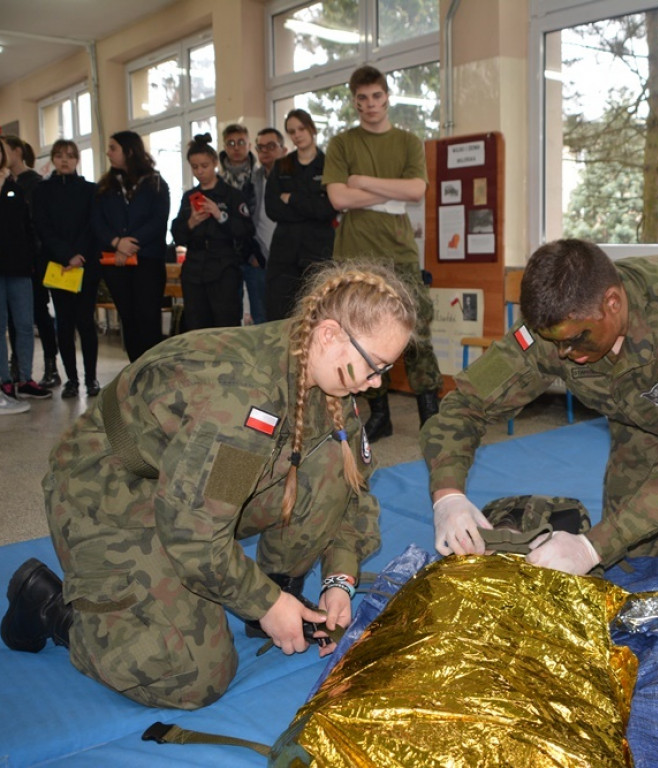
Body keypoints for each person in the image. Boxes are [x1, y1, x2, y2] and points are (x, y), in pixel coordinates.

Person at [0, 261, 417, 710]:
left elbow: (353, 492)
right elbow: (194, 535)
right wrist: (264, 603)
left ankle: (279, 593)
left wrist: (340, 579)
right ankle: (51, 610)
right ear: (330, 334)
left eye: (386, 369)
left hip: (190, 485)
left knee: (332, 459)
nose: (376, 383)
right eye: (374, 366)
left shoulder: (322, 371)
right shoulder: (247, 399)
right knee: (192, 676)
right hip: (111, 489)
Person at [422, 239, 658, 575]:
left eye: (575, 340)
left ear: (612, 303)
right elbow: (466, 404)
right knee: (638, 552)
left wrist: (592, 546)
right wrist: (448, 496)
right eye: (555, 342)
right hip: (640, 418)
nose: (563, 353)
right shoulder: (555, 325)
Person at [324, 65, 442, 442]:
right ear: (354, 101)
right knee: (361, 333)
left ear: (387, 97)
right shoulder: (342, 144)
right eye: (363, 98)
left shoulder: (408, 142)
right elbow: (337, 197)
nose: (371, 104)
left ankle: (430, 414)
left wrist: (362, 183)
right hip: (355, 255)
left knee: (417, 329)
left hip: (399, 252)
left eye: (377, 96)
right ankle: (379, 414)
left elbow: (416, 191)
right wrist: (390, 193)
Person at [92, 130, 171, 362]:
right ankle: (135, 368)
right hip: (116, 262)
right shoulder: (105, 187)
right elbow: (97, 221)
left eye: (113, 148)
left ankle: (153, 368)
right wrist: (117, 243)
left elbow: (158, 220)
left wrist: (130, 244)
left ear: (129, 151)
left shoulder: (155, 183)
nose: (108, 153)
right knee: (129, 319)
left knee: (148, 317)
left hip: (148, 260)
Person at [32, 140, 102, 399]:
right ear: (53, 159)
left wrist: (79, 254)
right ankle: (71, 379)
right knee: (64, 323)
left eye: (70, 156)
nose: (65, 160)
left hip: (85, 265)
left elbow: (93, 225)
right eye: (60, 156)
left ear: (77, 160)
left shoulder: (90, 190)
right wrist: (66, 255)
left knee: (85, 322)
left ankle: (91, 378)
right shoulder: (42, 190)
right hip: (58, 265)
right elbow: (43, 227)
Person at [170, 133, 254, 331]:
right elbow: (177, 234)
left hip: (223, 267)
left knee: (225, 325)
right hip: (194, 268)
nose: (200, 171)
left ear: (215, 163)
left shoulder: (232, 195)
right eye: (195, 167)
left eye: (204, 166)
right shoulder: (189, 197)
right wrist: (191, 222)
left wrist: (219, 215)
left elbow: (246, 230)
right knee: (196, 326)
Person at [264, 109, 337, 323]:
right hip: (284, 252)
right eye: (291, 131)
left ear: (311, 129)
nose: (297, 135)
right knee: (279, 313)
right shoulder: (282, 166)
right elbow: (272, 209)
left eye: (301, 129)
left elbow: (327, 209)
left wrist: (293, 199)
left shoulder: (329, 164)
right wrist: (310, 207)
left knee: (317, 314)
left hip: (317, 251)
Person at [3, 135, 59, 392]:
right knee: (9, 321)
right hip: (8, 265)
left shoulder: (32, 184)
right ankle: (12, 371)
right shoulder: (7, 184)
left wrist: (34, 258)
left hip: (29, 263)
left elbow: (34, 225)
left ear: (16, 152)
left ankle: (45, 368)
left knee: (34, 316)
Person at [218, 123, 265, 325]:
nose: (236, 147)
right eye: (231, 143)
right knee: (229, 315)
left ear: (249, 145)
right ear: (224, 147)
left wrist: (254, 252)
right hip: (226, 257)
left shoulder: (260, 177)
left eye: (240, 142)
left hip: (256, 253)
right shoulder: (217, 181)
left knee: (261, 314)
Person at [248, 126, 288, 325]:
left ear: (284, 149)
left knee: (289, 316)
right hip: (261, 259)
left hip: (289, 258)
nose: (265, 151)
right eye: (260, 147)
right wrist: (252, 253)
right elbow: (247, 219)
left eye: (271, 146)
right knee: (262, 319)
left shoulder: (293, 177)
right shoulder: (253, 179)